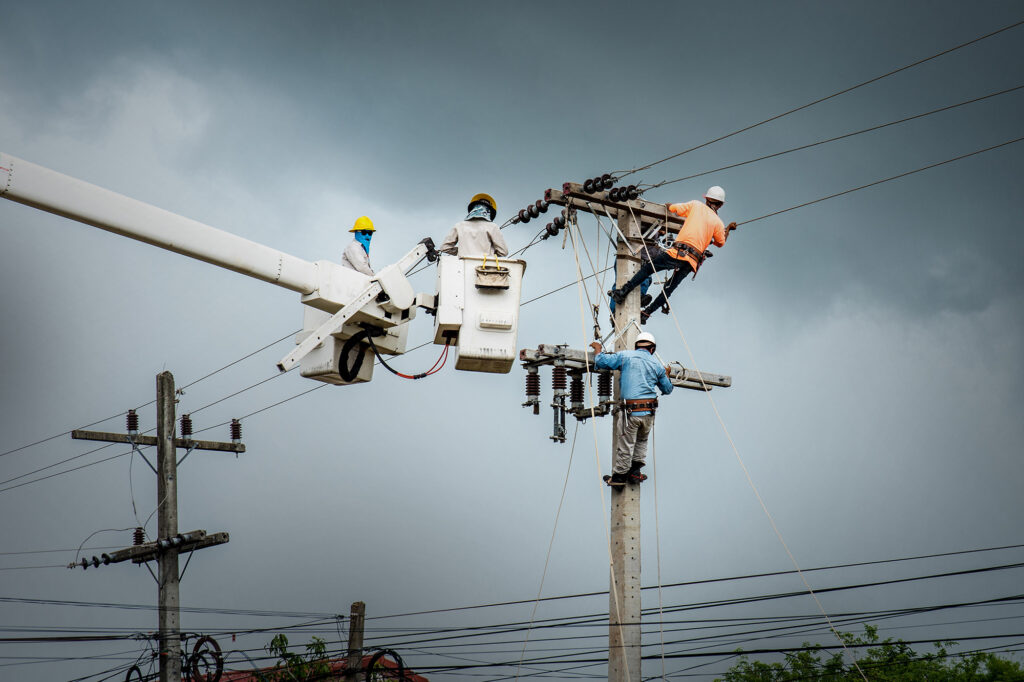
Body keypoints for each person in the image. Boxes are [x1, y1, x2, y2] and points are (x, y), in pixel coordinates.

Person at [608, 186, 737, 321]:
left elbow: (674, 208)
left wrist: (668, 206)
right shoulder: (718, 223)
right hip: (692, 261)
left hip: (678, 252)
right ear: (721, 204)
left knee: (648, 269)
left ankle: (623, 292)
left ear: (706, 199)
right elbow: (720, 242)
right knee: (669, 288)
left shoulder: (696, 205)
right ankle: (646, 313)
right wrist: (728, 228)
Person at [590, 332, 674, 487]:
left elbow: (601, 361)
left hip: (630, 412)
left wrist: (598, 348)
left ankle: (619, 478)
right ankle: (635, 473)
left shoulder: (625, 356)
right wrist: (666, 375)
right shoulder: (657, 365)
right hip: (649, 413)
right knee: (641, 442)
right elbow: (667, 389)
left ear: (637, 346)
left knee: (626, 445)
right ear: (652, 348)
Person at [439, 193, 510, 258]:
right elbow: (503, 252)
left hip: (462, 267)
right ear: (489, 212)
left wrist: (462, 251)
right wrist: (489, 253)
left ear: (472, 209)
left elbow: (445, 247)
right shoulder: (492, 227)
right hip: (484, 268)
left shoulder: (459, 226)